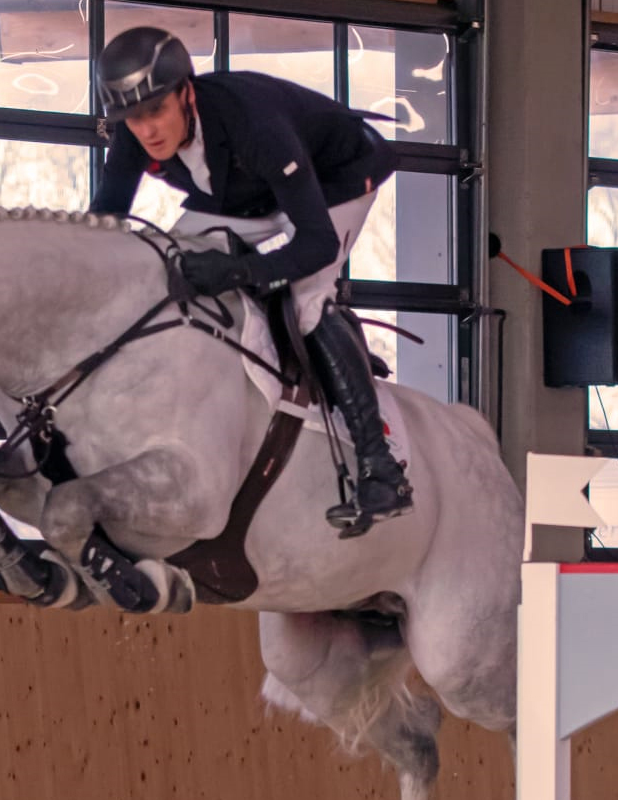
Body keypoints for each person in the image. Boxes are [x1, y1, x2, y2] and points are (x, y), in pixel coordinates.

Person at [90, 25, 412, 538]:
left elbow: (316, 243)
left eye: (156, 111)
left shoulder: (254, 125)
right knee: (165, 265)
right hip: (248, 194)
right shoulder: (135, 137)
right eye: (133, 118)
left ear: (186, 93)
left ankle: (380, 468)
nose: (147, 130)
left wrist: (240, 271)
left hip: (336, 180)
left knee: (306, 299)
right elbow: (103, 223)